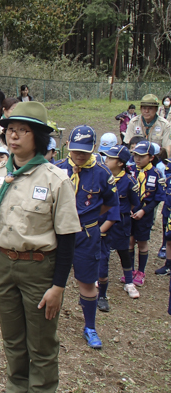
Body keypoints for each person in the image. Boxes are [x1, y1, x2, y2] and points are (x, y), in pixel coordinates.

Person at [0, 101, 80, 393]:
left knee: (41, 341)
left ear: (39, 138)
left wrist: (58, 286)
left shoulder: (54, 179)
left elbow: (68, 237)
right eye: (11, 130)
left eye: (24, 131)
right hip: (2, 264)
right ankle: (15, 390)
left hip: (39, 269)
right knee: (12, 337)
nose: (14, 136)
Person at [55, 126, 119, 349]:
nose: (79, 155)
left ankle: (90, 327)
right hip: (59, 234)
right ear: (68, 148)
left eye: (84, 151)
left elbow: (111, 204)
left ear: (93, 149)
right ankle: (47, 322)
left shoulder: (102, 173)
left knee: (87, 280)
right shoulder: (58, 169)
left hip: (86, 234)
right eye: (75, 151)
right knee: (52, 279)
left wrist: (89, 219)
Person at [100, 145, 140, 300]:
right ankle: (100, 277)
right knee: (102, 250)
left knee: (123, 250)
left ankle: (129, 281)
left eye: (110, 158)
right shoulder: (103, 176)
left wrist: (123, 212)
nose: (106, 160)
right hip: (104, 218)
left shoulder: (129, 181)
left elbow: (133, 202)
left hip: (121, 221)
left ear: (120, 163)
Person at [125, 141, 165, 287]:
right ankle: (130, 270)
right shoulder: (130, 170)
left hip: (145, 214)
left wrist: (144, 211)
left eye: (141, 156)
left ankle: (141, 272)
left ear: (151, 157)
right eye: (135, 155)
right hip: (131, 212)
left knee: (142, 242)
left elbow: (158, 199)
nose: (137, 159)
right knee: (129, 241)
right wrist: (128, 207)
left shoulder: (156, 173)